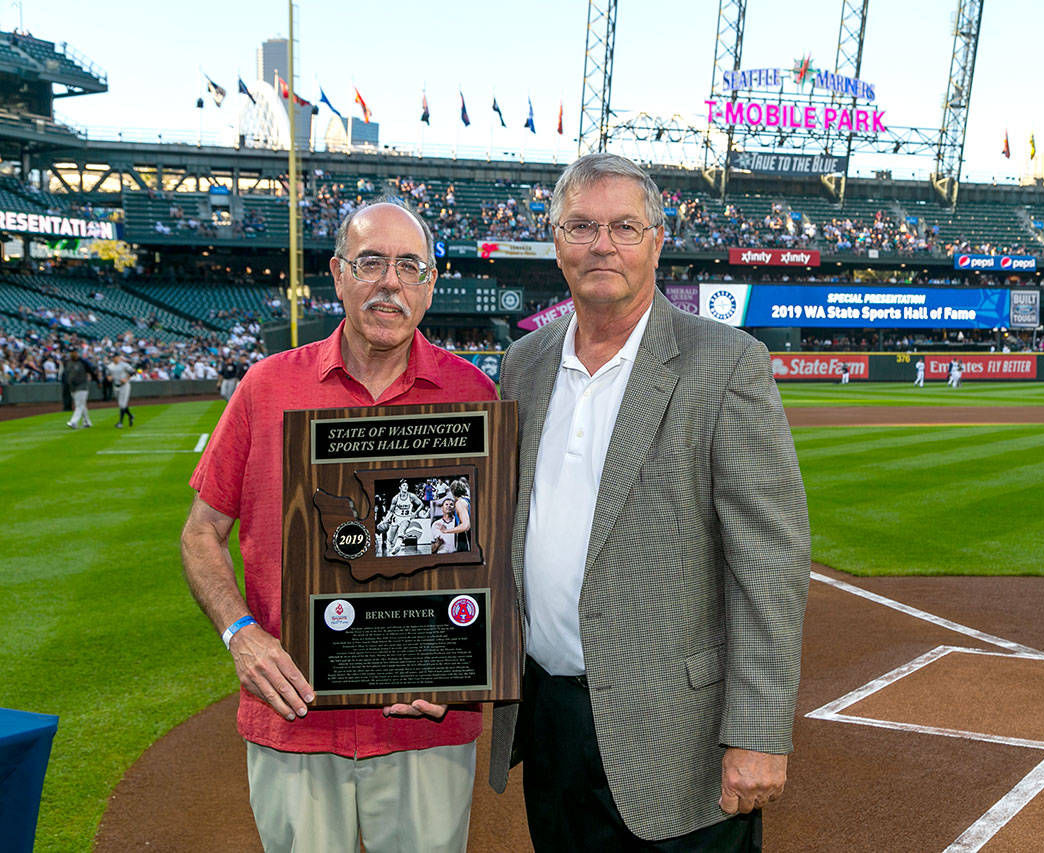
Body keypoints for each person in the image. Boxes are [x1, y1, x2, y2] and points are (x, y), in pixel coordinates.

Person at [489, 153, 810, 850]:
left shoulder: (725, 363)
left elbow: (771, 564)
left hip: (678, 739)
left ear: (656, 241)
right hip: (554, 724)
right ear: (556, 240)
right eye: (581, 225)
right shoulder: (525, 363)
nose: (602, 243)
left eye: (624, 226)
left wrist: (757, 731)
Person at [180, 198, 496, 853]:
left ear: (431, 283)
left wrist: (467, 664)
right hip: (295, 716)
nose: (390, 282)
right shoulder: (266, 386)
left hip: (423, 725)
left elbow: (496, 556)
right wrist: (240, 633)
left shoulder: (475, 394)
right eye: (371, 262)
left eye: (410, 266)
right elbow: (199, 532)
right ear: (337, 274)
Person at [105, 352, 136, 428]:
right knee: (121, 404)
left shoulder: (124, 365)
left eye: (115, 356)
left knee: (122, 404)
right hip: (115, 386)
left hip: (124, 386)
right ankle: (130, 416)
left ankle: (120, 423)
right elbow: (108, 375)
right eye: (113, 357)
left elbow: (132, 372)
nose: (114, 358)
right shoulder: (110, 366)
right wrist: (109, 378)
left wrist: (126, 379)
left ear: (118, 357)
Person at [64, 350, 93, 429]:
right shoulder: (67, 362)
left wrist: (97, 381)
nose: (73, 353)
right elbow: (66, 374)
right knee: (82, 405)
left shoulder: (83, 362)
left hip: (82, 386)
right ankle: (87, 422)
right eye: (71, 352)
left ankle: (73, 422)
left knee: (79, 405)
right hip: (72, 387)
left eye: (74, 352)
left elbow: (91, 370)